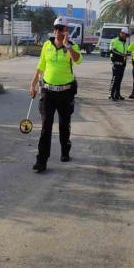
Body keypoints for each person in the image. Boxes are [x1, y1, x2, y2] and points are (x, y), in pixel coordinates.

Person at [29, 17, 82, 172]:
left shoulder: (73, 47)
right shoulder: (47, 45)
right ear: (54, 29)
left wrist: (68, 46)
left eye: (62, 28)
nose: (58, 31)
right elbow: (41, 66)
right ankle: (41, 160)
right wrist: (33, 84)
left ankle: (65, 150)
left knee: (64, 126)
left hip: (66, 93)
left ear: (67, 30)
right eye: (56, 28)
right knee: (46, 126)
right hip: (48, 92)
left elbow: (78, 60)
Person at [108, 27, 130, 100]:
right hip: (116, 62)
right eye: (125, 34)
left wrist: (128, 54)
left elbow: (126, 52)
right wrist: (121, 54)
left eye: (126, 35)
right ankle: (111, 94)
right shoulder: (115, 40)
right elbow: (112, 50)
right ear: (121, 33)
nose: (125, 36)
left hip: (123, 63)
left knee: (119, 80)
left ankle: (117, 94)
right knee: (115, 79)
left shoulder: (125, 42)